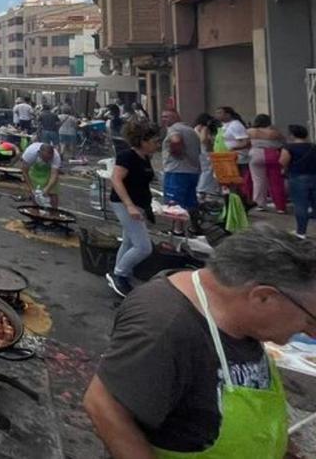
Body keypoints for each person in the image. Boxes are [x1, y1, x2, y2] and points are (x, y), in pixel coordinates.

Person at [84, 226, 310, 459]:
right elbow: (104, 407)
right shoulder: (165, 324)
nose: (311, 334)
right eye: (310, 320)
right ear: (263, 297)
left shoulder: (241, 317)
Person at [106, 119, 162, 298]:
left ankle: (122, 273)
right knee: (143, 247)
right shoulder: (126, 156)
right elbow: (116, 179)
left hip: (139, 203)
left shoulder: (145, 157)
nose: (157, 145)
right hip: (124, 204)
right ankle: (119, 273)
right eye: (154, 141)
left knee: (129, 241)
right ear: (143, 141)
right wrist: (129, 205)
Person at [161, 109, 202, 231]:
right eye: (163, 117)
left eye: (167, 117)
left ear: (176, 117)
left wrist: (177, 152)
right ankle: (195, 227)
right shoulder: (191, 130)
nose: (164, 119)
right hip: (192, 171)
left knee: (174, 202)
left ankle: (177, 230)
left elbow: (176, 140)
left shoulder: (174, 129)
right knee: (191, 200)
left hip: (176, 170)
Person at [248, 114, 287, 214]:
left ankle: (260, 204)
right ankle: (280, 206)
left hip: (255, 154)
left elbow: (245, 142)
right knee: (276, 181)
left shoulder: (251, 131)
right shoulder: (274, 133)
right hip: (272, 154)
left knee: (258, 181)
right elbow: (283, 142)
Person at [283, 125, 316, 237]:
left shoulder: (289, 147)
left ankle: (301, 232)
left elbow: (283, 162)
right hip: (314, 176)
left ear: (292, 135)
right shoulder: (313, 146)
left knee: (301, 205)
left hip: (297, 177)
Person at [216, 106, 251, 202]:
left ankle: (241, 203)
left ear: (228, 114)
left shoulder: (235, 125)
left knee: (234, 185)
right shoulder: (224, 126)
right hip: (224, 159)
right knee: (226, 184)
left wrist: (232, 148)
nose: (217, 115)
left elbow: (246, 142)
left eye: (220, 113)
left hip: (236, 159)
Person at [20, 142, 62, 209]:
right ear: (39, 153)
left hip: (48, 171)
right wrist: (31, 189)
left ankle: (54, 214)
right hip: (35, 171)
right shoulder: (29, 154)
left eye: (49, 159)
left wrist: (46, 190)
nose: (46, 161)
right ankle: (36, 214)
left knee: (53, 194)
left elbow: (54, 175)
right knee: (36, 195)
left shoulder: (56, 156)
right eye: (45, 158)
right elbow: (25, 172)